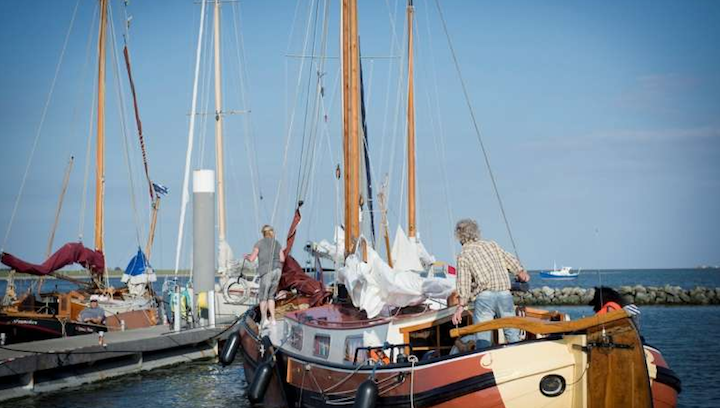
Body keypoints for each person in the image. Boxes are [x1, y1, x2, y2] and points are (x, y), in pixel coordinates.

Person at [450, 219, 529, 346]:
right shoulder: (492, 245)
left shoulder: (463, 254)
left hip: (484, 297)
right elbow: (509, 259)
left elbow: (463, 284)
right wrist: (521, 272)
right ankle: (518, 358)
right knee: (512, 333)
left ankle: (484, 360)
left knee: (483, 336)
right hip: (504, 294)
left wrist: (460, 308)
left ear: (459, 236)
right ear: (476, 232)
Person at [245, 225, 285, 328]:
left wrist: (247, 256)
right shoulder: (277, 243)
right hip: (278, 271)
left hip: (267, 271)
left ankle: (264, 319)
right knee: (271, 296)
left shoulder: (259, 243)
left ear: (263, 233)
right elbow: (282, 259)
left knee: (263, 296)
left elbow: (252, 258)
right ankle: (273, 319)